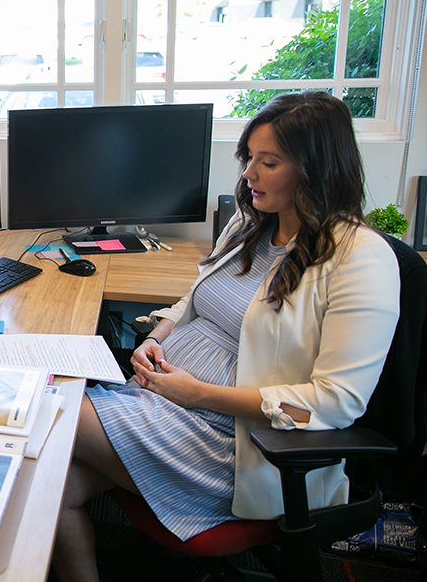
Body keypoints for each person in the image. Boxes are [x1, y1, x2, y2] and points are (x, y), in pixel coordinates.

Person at [53, 91, 401, 581]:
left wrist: (197, 393)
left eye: (268, 162)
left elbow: (336, 401)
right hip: (164, 403)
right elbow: (197, 294)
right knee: (49, 484)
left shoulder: (359, 258)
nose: (248, 174)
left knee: (50, 408)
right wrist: (161, 335)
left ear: (316, 170)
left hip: (236, 444)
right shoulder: (250, 222)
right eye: (249, 159)